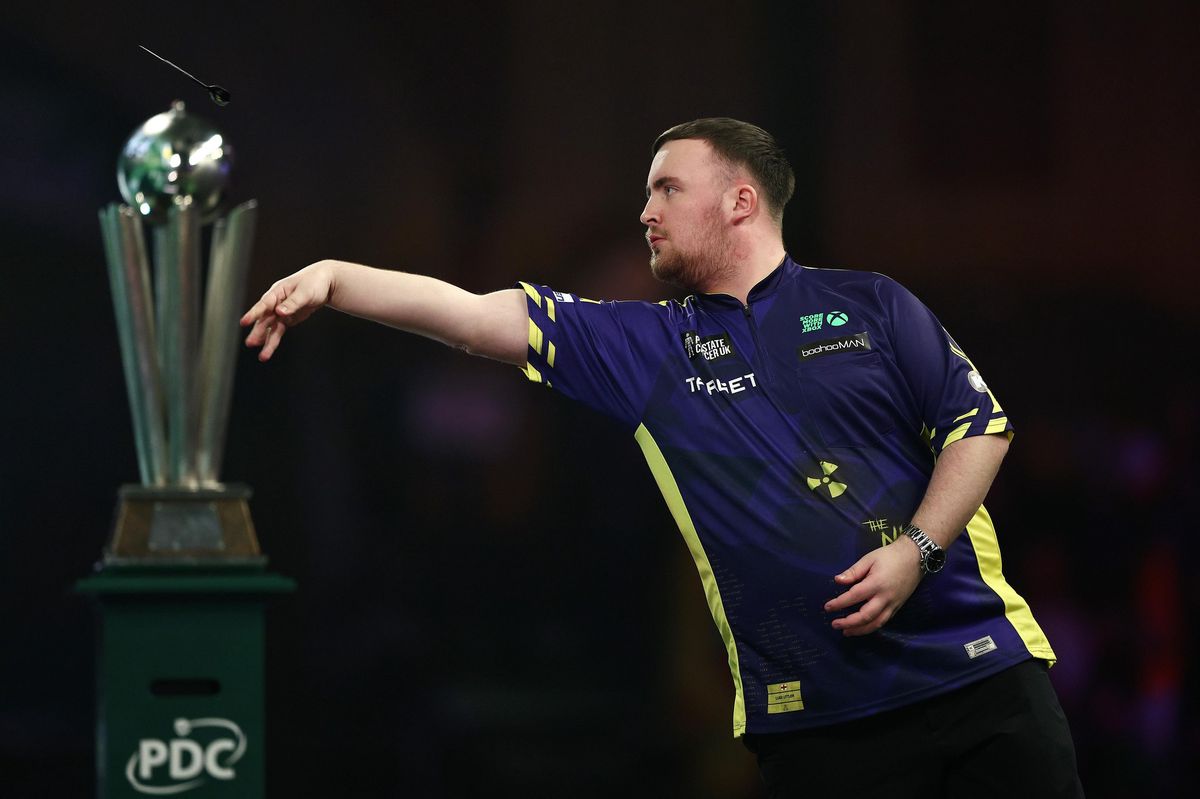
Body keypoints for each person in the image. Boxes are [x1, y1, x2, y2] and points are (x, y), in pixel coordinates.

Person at [241, 118, 1084, 798]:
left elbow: (981, 427)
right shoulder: (648, 347)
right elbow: (472, 314)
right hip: (820, 723)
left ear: (740, 200)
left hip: (983, 680)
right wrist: (335, 276)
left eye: (667, 189)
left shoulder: (873, 302)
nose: (646, 211)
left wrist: (918, 550)